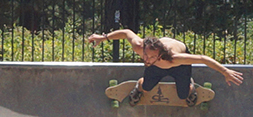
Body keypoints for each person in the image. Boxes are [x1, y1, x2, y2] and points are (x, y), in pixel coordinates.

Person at [87, 30, 243, 106]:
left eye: (151, 57)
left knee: (183, 96)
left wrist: (225, 71)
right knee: (146, 87)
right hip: (157, 68)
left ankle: (189, 86)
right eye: (145, 56)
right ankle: (140, 84)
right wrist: (103, 37)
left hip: (179, 68)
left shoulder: (175, 58)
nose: (146, 60)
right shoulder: (140, 47)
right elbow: (126, 32)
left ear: (160, 54)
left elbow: (202, 59)